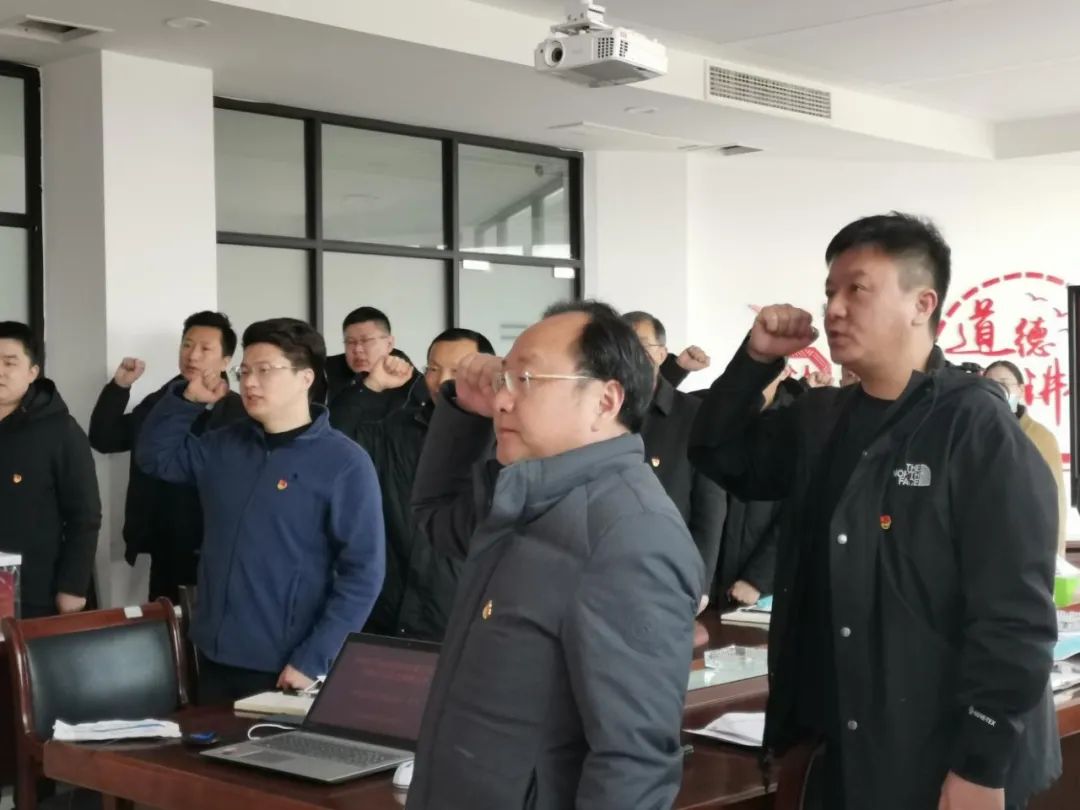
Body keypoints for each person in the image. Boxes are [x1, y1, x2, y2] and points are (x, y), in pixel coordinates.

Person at [689, 213, 1059, 810]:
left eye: (857, 289)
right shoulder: (822, 418)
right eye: (829, 291)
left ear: (922, 304)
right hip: (834, 744)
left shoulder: (973, 426)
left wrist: (980, 766)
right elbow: (720, 454)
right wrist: (756, 360)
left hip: (933, 755)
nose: (834, 309)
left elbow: (1014, 617)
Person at [407, 301, 703, 810]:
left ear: (605, 400)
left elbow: (632, 763)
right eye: (503, 378)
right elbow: (435, 517)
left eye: (526, 379)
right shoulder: (530, 498)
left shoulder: (629, 535)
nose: (503, 399)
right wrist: (463, 412)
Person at [136, 318, 385, 703]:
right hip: (212, 653)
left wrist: (315, 657)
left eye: (265, 370)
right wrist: (187, 401)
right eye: (245, 371)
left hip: (287, 665)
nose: (249, 382)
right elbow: (155, 458)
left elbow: (364, 573)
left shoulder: (344, 463)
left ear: (305, 378)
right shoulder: (224, 446)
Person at [89, 311, 246, 602]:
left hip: (210, 547)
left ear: (225, 361)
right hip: (163, 542)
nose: (192, 355)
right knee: (166, 623)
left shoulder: (238, 413)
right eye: (187, 345)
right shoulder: (163, 399)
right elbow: (105, 438)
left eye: (205, 348)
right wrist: (120, 386)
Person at [353, 327, 495, 641]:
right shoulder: (396, 429)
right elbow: (337, 446)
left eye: (457, 371)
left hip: (458, 619)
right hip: (385, 614)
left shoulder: (506, 440)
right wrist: (372, 388)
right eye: (432, 368)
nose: (442, 381)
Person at [0, 322, 100, 618]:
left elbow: (85, 515)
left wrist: (73, 587)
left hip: (34, 590)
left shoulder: (61, 431)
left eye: (9, 362)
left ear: (33, 371)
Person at [625, 310, 725, 602]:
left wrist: (701, 583)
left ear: (661, 354)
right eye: (622, 347)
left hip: (668, 576)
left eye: (641, 346)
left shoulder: (693, 414)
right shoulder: (600, 411)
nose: (631, 356)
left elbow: (710, 509)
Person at [713, 368, 800, 609]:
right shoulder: (714, 413)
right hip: (702, 583)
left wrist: (757, 579)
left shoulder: (799, 423)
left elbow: (797, 512)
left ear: (784, 370)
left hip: (757, 593)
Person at [985, 360, 1067, 557]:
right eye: (990, 386)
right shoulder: (975, 434)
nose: (998, 391)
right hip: (987, 548)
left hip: (1029, 550)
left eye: (1004, 384)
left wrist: (1056, 556)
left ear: (1021, 390)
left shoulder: (1040, 437)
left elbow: (1056, 503)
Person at [326, 306, 421, 433]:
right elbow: (328, 432)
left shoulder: (414, 384)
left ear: (389, 344)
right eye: (350, 342)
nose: (357, 349)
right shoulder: (324, 374)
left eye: (366, 341)